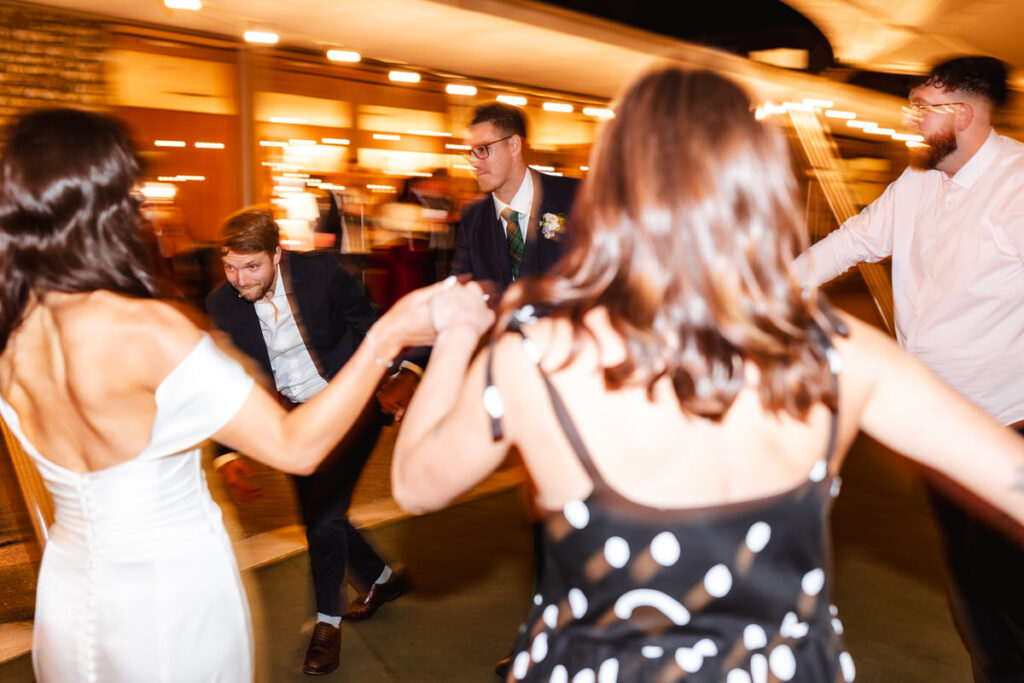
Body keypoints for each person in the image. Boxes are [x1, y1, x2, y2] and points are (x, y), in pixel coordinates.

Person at [390, 66, 1024, 682]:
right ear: (753, 189)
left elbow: (418, 486)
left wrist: (455, 336)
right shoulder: (843, 353)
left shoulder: (536, 350)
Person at [0, 108, 483, 682]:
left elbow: (39, 493)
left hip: (70, 593)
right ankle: (371, 581)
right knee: (321, 509)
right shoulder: (148, 329)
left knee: (324, 515)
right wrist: (393, 335)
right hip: (170, 601)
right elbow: (295, 446)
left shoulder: (15, 330)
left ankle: (373, 579)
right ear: (111, 211)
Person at [795, 56, 1024, 681]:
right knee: (969, 574)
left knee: (1001, 578)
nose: (914, 121)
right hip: (934, 419)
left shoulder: (1018, 184)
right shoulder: (916, 185)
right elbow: (850, 243)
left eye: (924, 108)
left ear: (965, 115)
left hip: (1007, 421)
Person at [206, 207, 414, 674]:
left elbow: (369, 321)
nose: (240, 279)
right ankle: (381, 579)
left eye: (252, 266)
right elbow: (228, 379)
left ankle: (327, 622)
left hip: (351, 401)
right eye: (230, 266)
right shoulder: (221, 302)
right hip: (293, 423)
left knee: (322, 516)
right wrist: (227, 453)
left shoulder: (320, 274)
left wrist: (400, 376)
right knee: (323, 512)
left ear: (276, 254)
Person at [451, 101, 578, 295]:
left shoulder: (573, 196)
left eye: (483, 149)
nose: (474, 162)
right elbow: (461, 286)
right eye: (471, 152)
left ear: (513, 145)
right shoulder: (473, 217)